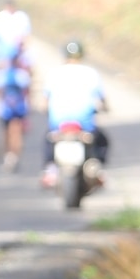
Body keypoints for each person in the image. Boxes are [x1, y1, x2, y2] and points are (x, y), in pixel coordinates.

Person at [41, 40, 109, 189]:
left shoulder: (54, 73)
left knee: (48, 141)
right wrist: (105, 108)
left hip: (58, 123)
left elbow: (44, 102)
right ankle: (98, 170)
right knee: (102, 141)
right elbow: (102, 100)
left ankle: (50, 170)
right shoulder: (91, 73)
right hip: (84, 124)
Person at [0, 43, 32, 172]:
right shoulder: (21, 75)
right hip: (18, 108)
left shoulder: (0, 75)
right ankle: (13, 156)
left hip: (6, 109)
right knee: (15, 132)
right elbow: (27, 91)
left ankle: (9, 155)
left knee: (7, 132)